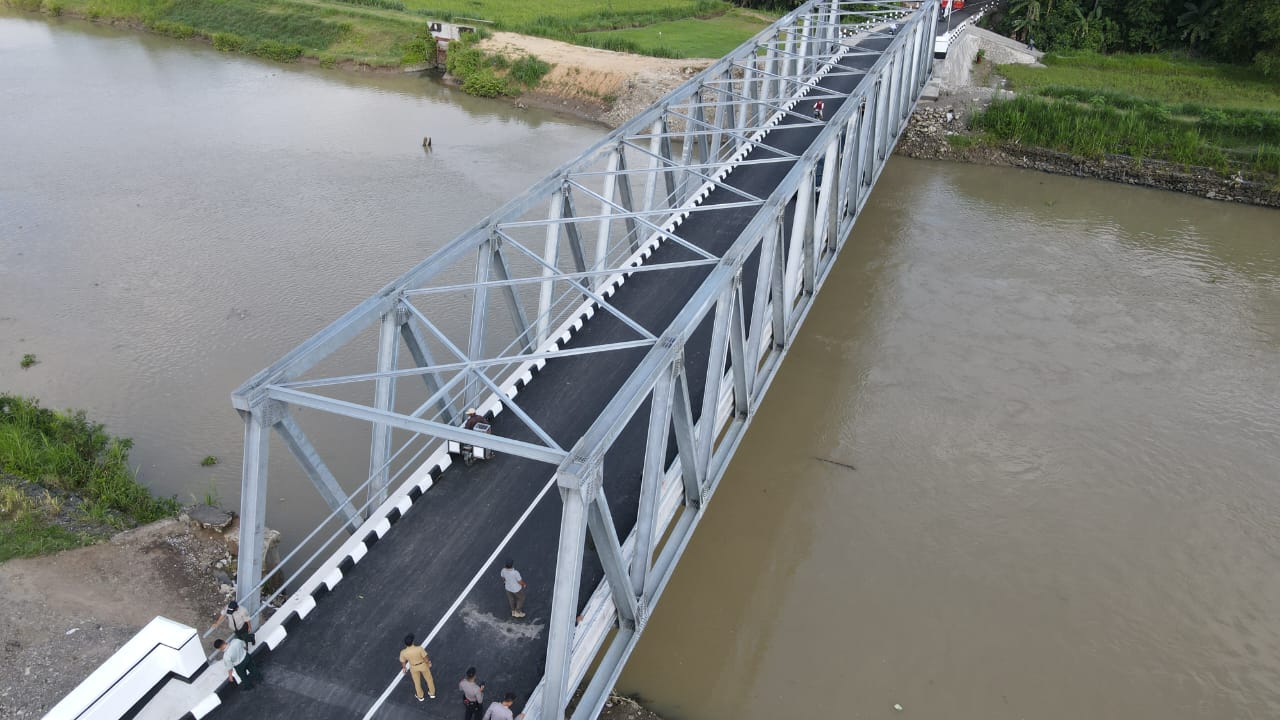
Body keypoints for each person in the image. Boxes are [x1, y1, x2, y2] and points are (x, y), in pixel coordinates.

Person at [400, 634, 436, 701]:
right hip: (423, 665)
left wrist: (404, 668)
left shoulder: (403, 652)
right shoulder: (419, 649)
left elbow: (403, 661)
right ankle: (432, 693)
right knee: (429, 679)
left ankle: (420, 696)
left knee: (417, 682)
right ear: (413, 642)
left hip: (413, 667)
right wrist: (428, 663)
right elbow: (425, 658)